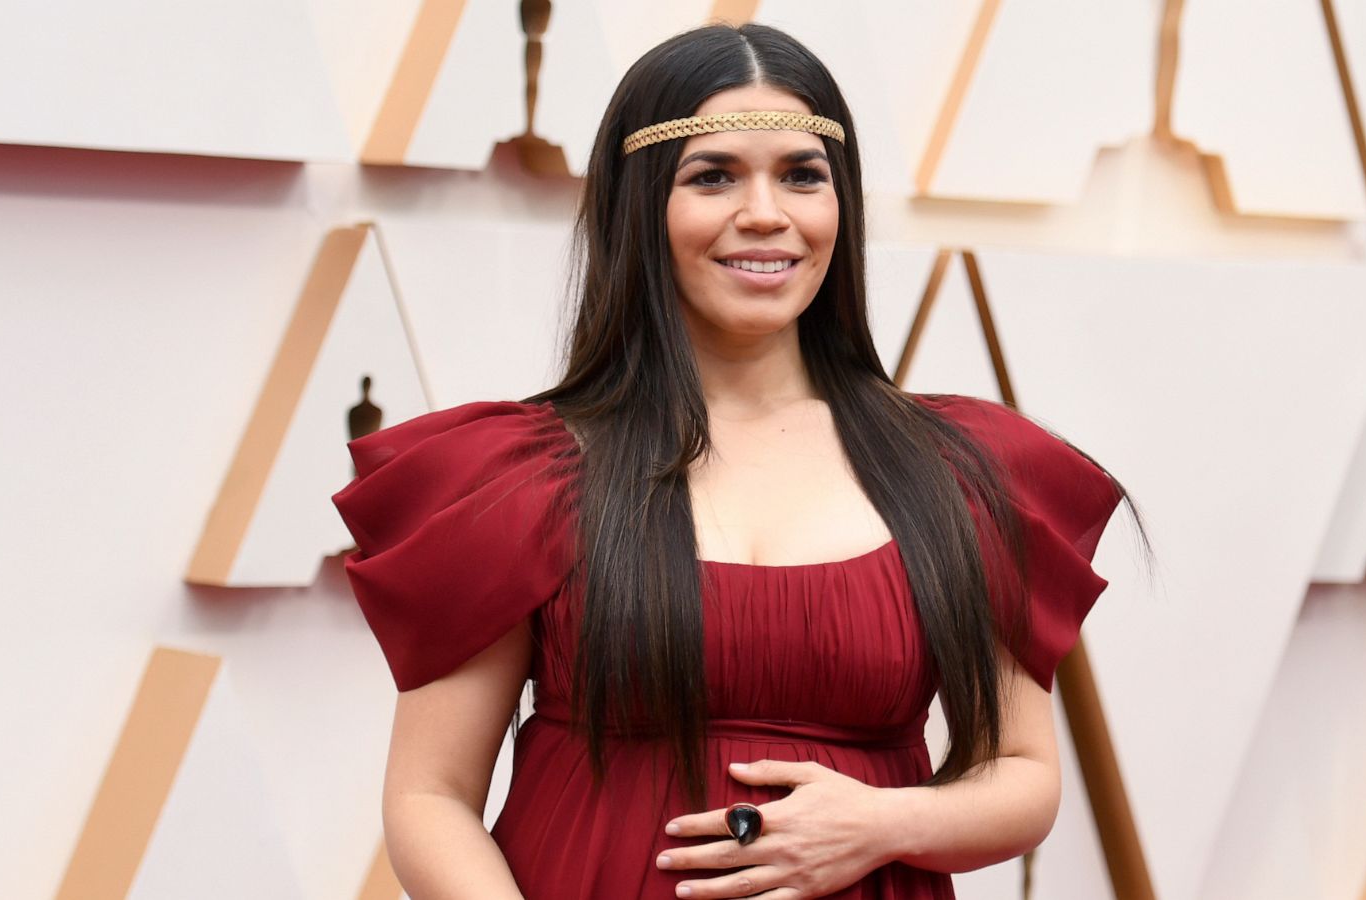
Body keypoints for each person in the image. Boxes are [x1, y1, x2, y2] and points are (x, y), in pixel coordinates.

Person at [332, 21, 1146, 900]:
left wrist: (879, 824)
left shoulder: (960, 470)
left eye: (803, 175)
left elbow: (1023, 776)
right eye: (713, 176)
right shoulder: (523, 476)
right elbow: (429, 796)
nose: (766, 213)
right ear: (639, 205)